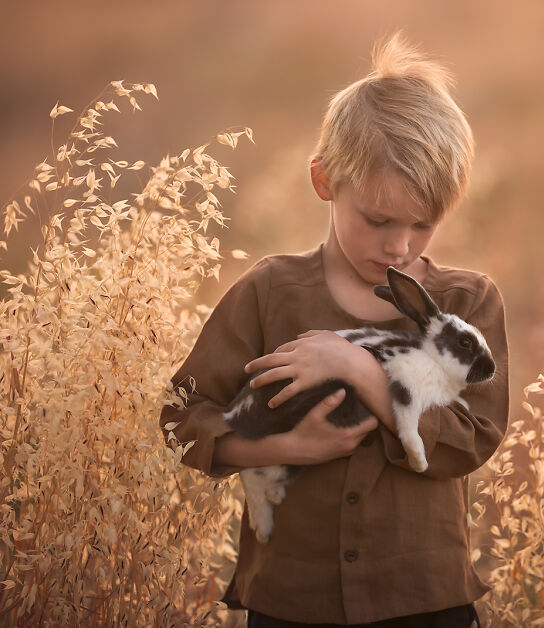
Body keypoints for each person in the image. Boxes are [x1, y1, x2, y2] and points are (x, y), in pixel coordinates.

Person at [160, 32, 509, 627]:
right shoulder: (269, 294)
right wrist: (283, 449)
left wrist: (361, 370)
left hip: (425, 601)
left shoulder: (464, 303)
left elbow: (473, 438)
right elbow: (180, 418)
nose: (398, 246)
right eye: (376, 220)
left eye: (422, 225)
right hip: (293, 602)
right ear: (325, 182)